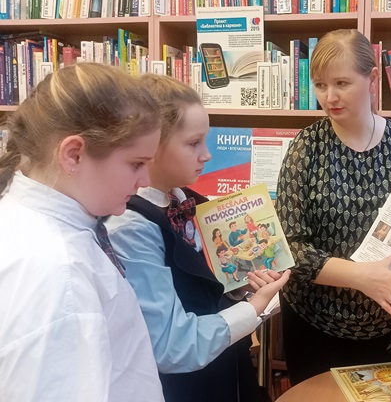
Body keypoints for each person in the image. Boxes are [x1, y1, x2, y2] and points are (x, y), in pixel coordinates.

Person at [105, 74, 289, 402]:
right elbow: (171, 345)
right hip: (182, 386)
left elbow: (205, 287)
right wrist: (255, 307)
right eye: (194, 143)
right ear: (151, 145)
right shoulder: (132, 226)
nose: (207, 155)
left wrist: (239, 289)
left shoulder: (193, 204)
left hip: (225, 371)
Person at [276, 29, 391, 385]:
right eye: (320, 85)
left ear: (372, 79)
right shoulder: (306, 146)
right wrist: (361, 278)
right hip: (315, 320)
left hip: (386, 319)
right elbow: (289, 247)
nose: (329, 97)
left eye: (342, 83)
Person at [0, 63, 164, 400]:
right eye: (136, 163)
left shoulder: (25, 219)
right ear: (73, 155)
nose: (145, 180)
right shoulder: (60, 273)